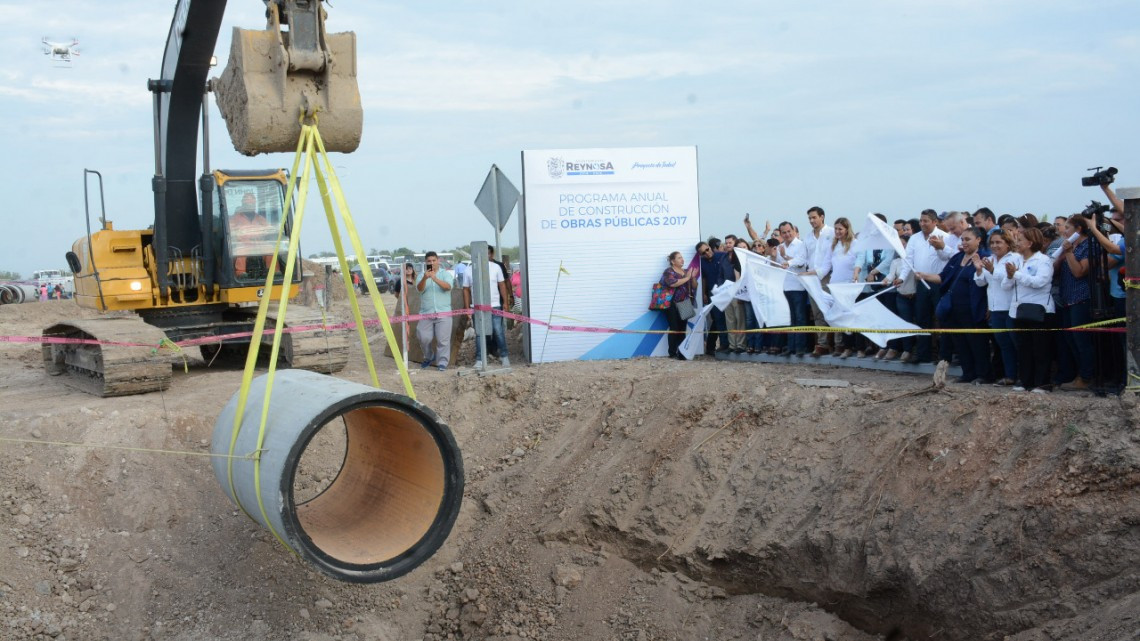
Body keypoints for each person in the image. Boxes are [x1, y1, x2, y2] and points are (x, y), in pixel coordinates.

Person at [927, 227, 991, 384]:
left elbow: (988, 283)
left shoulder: (984, 258)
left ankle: (983, 374)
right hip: (954, 308)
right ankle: (968, 373)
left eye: (968, 239)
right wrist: (923, 275)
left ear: (978, 239)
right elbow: (943, 277)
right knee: (961, 342)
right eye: (962, 239)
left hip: (973, 307)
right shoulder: (958, 257)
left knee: (977, 343)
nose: (964, 242)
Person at [1003, 227, 1055, 393]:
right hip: (1019, 310)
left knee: (1040, 349)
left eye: (1020, 240)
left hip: (1040, 310)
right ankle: (1025, 381)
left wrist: (1016, 275)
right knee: (1023, 348)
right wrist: (1011, 276)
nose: (1016, 243)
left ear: (1030, 243)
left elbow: (1039, 282)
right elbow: (1006, 285)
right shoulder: (1016, 260)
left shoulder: (1043, 260)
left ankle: (1043, 383)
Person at [897, 210, 951, 363]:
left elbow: (948, 258)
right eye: (921, 221)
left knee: (941, 319)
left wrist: (940, 247)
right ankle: (923, 354)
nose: (922, 224)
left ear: (934, 222)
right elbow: (908, 260)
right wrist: (901, 278)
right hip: (921, 283)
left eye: (926, 221)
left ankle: (944, 355)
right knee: (922, 319)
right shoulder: (914, 238)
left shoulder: (944, 237)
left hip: (938, 283)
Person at [974, 230, 1021, 385]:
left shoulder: (1016, 258)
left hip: (1011, 307)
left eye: (998, 242)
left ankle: (1022, 375)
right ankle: (1010, 376)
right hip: (995, 308)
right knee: (1003, 344)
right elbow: (980, 282)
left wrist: (993, 270)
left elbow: (1011, 280)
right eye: (992, 243)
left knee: (1017, 343)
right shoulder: (989, 259)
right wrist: (979, 270)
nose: (995, 245)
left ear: (1008, 243)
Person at [1053, 215, 1094, 391]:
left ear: (1078, 230)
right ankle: (1079, 374)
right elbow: (1054, 270)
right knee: (1071, 340)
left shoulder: (1088, 246)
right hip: (1067, 299)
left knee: (1082, 340)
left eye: (1067, 228)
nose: (1064, 232)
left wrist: (1069, 253)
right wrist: (1062, 254)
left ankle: (1087, 377)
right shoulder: (1070, 246)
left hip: (1081, 298)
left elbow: (1079, 272)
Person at [816, 217, 860, 358]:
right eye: (835, 229)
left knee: (850, 318)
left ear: (847, 229)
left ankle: (854, 347)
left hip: (849, 286)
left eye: (840, 229)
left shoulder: (855, 243)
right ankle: (840, 345)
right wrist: (812, 274)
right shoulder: (833, 246)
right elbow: (826, 266)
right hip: (835, 286)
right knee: (839, 317)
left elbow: (860, 261)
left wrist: (856, 273)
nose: (837, 231)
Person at [462, 248, 510, 369]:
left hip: (494, 305)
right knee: (479, 334)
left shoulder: (495, 267)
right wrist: (467, 308)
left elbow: (502, 285)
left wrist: (505, 302)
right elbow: (466, 290)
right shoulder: (468, 270)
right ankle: (480, 359)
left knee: (497, 330)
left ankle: (504, 356)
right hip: (477, 308)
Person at [801, 207, 836, 357]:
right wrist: (788, 263)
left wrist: (819, 272)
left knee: (831, 311)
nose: (811, 221)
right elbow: (803, 258)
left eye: (814, 217)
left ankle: (837, 343)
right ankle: (822, 344)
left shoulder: (832, 233)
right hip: (811, 279)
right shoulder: (808, 238)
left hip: (828, 277)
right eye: (809, 218)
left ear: (822, 217)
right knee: (817, 313)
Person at [775, 221, 810, 356]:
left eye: (789, 231)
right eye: (784, 232)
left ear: (794, 231)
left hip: (798, 286)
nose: (787, 234)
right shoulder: (780, 247)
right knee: (790, 318)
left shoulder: (801, 245)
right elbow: (778, 265)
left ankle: (801, 347)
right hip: (785, 286)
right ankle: (791, 347)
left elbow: (801, 262)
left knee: (800, 318)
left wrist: (786, 259)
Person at [416, 251, 454, 371]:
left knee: (443, 340)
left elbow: (448, 287)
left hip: (444, 313)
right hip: (426, 312)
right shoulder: (421, 275)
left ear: (438, 261)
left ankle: (442, 362)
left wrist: (434, 278)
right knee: (423, 337)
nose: (431, 263)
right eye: (429, 261)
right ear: (425, 262)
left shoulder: (445, 274)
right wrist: (425, 278)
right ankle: (429, 356)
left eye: (433, 260)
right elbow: (419, 289)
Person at [660, 251, 698, 359]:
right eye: (679, 258)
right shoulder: (668, 271)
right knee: (674, 328)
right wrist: (687, 278)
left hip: (685, 302)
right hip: (672, 304)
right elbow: (672, 283)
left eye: (682, 257)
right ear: (673, 261)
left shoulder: (686, 271)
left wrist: (693, 277)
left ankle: (682, 353)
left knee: (682, 328)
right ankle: (672, 353)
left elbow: (694, 286)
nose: (682, 260)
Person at [230, 192, 275, 279]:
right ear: (243, 203)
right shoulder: (235, 218)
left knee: (270, 249)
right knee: (241, 251)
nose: (250, 204)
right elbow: (229, 230)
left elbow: (270, 230)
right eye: (247, 202)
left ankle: (274, 272)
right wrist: (238, 236)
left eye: (252, 202)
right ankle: (241, 273)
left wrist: (264, 233)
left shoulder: (260, 218)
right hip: (243, 244)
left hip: (259, 244)